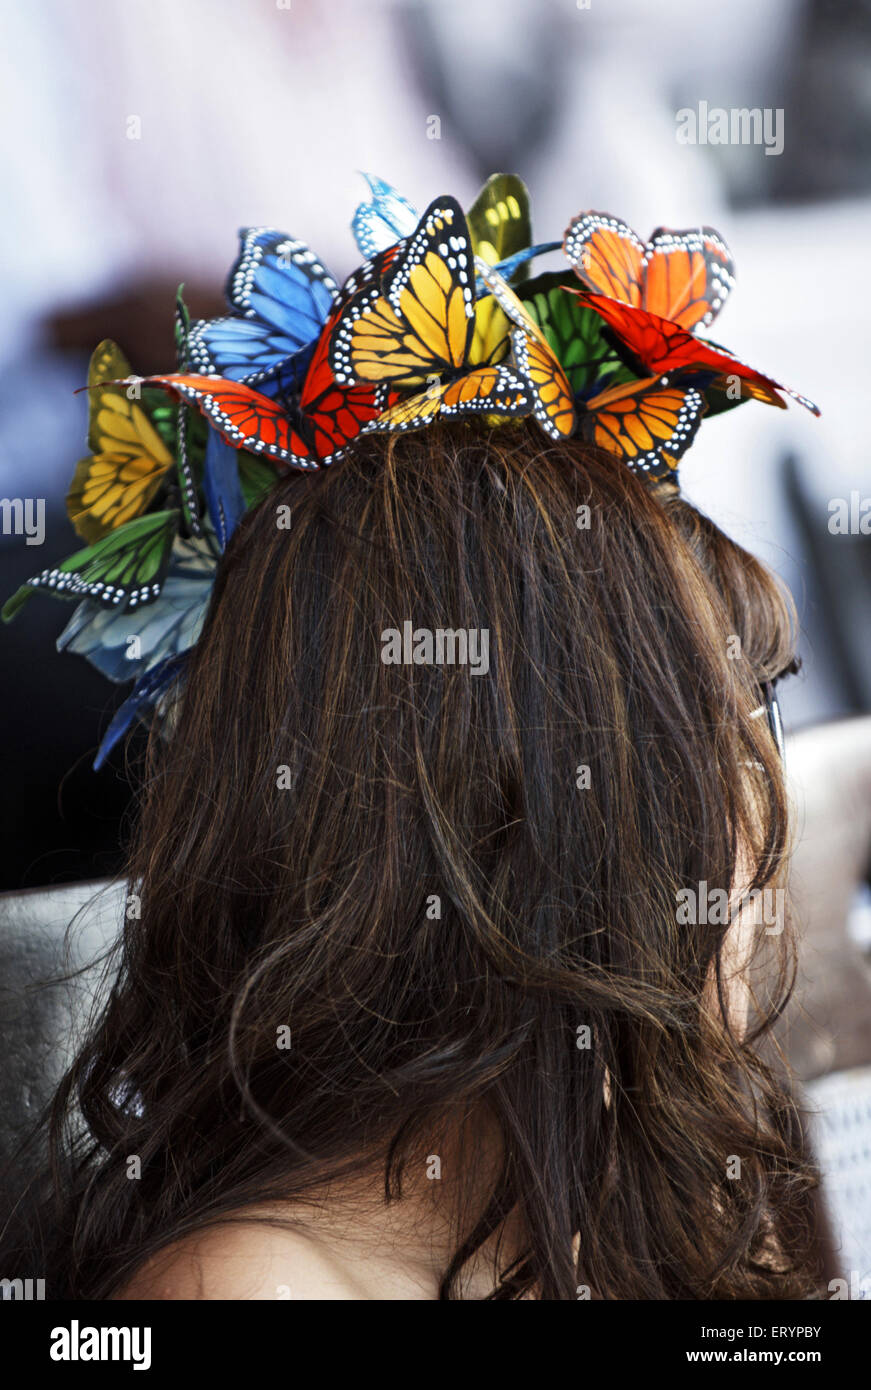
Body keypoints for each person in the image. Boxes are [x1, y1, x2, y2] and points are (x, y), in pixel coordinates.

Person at [6, 422, 822, 1299]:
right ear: (541, 815)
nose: (765, 811)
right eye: (727, 731)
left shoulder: (651, 1199)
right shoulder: (251, 1289)